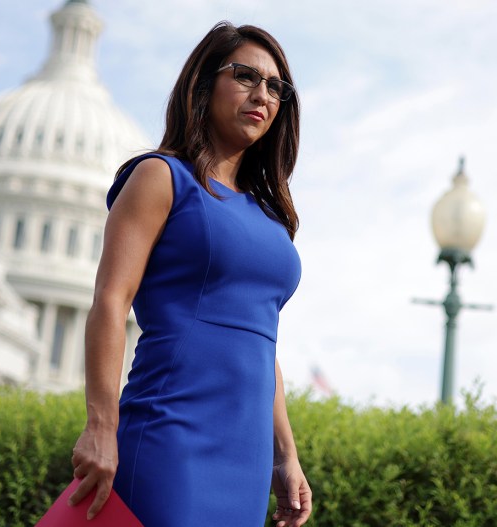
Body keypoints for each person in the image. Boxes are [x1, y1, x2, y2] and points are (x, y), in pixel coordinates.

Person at [68, 21, 312, 527]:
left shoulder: (270, 217)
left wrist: (284, 456)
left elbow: (261, 343)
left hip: (244, 458)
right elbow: (111, 299)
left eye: (275, 87)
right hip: (170, 436)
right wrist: (100, 424)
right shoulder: (160, 176)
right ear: (204, 85)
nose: (261, 94)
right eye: (245, 76)